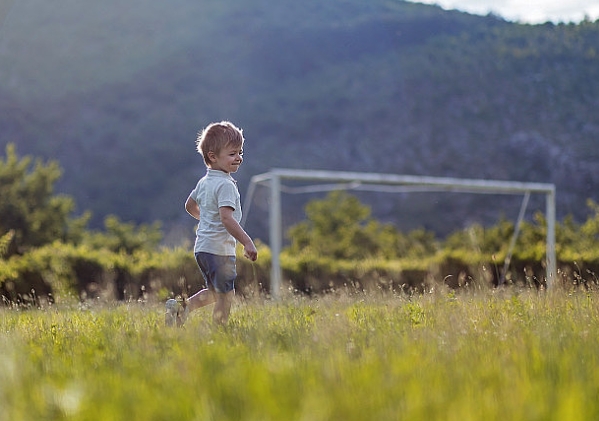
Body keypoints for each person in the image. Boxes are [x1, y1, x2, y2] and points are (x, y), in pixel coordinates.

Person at [166, 121, 258, 327]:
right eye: (232, 153)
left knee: (216, 292)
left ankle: (181, 308)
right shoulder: (225, 184)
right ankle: (220, 330)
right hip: (219, 250)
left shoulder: (205, 181)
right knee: (226, 294)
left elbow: (189, 205)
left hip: (203, 248)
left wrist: (206, 219)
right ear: (213, 156)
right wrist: (247, 242)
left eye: (240, 152)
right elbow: (227, 218)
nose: (239, 158)